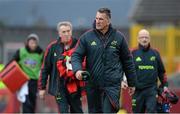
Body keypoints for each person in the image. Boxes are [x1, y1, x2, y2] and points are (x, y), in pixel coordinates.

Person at [71, 8, 137, 113]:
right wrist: (77, 70)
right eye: (96, 18)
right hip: (93, 85)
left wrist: (132, 82)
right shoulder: (87, 37)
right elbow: (76, 55)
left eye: (101, 19)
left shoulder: (119, 38)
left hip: (112, 85)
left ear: (108, 21)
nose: (97, 21)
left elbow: (128, 61)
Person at [38, 21, 83, 113]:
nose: (66, 34)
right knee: (63, 111)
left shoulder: (79, 45)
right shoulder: (52, 47)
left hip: (75, 86)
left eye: (68, 31)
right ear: (59, 33)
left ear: (71, 31)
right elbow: (45, 68)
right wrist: (42, 88)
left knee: (77, 111)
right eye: (64, 32)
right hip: (59, 86)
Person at [131, 29, 168, 113]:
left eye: (146, 37)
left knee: (151, 111)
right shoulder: (132, 52)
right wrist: (125, 81)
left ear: (149, 39)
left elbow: (162, 71)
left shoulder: (155, 53)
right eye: (142, 37)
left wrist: (165, 85)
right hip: (137, 91)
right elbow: (125, 69)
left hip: (151, 90)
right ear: (138, 39)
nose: (144, 39)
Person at [9, 33, 43, 113]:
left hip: (34, 80)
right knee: (25, 100)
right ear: (27, 43)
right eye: (31, 42)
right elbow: (12, 62)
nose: (33, 45)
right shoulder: (21, 51)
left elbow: (45, 65)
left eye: (34, 43)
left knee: (32, 100)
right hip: (23, 80)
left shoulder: (40, 53)